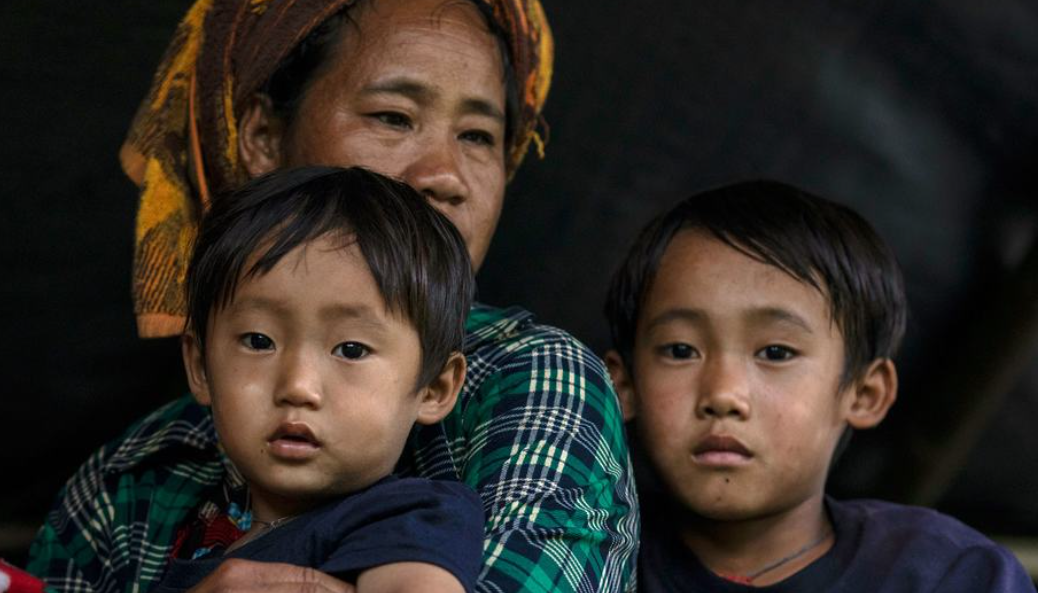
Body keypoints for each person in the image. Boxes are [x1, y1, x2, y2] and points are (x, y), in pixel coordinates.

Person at [28, 1, 637, 592]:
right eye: (394, 117)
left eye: (477, 135)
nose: (445, 175)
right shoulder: (126, 484)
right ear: (263, 135)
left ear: (437, 388)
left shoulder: (532, 379)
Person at [604, 180, 1035, 592]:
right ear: (624, 384)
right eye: (680, 350)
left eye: (775, 353)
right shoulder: (582, 558)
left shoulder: (947, 575)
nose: (722, 395)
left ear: (864, 394)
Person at [155, 166, 482, 592]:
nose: (297, 386)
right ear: (200, 366)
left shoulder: (409, 519)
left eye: (351, 350)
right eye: (258, 341)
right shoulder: (197, 529)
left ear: (434, 388)